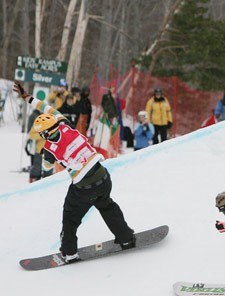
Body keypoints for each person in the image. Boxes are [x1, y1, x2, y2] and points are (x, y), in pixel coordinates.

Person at [13, 81, 135, 264]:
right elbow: (47, 107)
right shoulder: (65, 123)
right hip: (103, 176)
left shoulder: (48, 148)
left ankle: (69, 252)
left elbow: (46, 168)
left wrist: (49, 154)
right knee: (107, 206)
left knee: (70, 218)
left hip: (83, 188)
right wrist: (27, 98)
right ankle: (126, 238)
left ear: (44, 134)